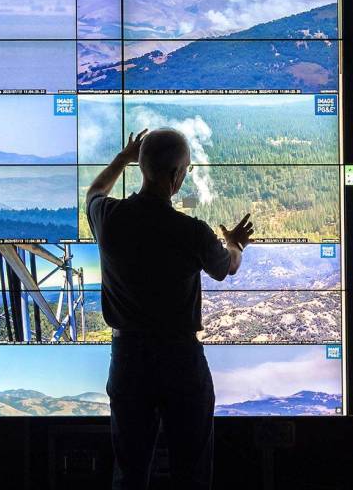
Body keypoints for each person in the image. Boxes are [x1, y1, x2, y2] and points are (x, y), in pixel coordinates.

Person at [86, 128, 253, 490]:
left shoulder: (109, 218)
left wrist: (121, 158)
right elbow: (228, 268)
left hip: (129, 358)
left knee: (130, 473)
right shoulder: (191, 232)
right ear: (177, 176)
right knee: (190, 474)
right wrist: (234, 243)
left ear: (141, 167)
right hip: (181, 360)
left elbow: (94, 192)